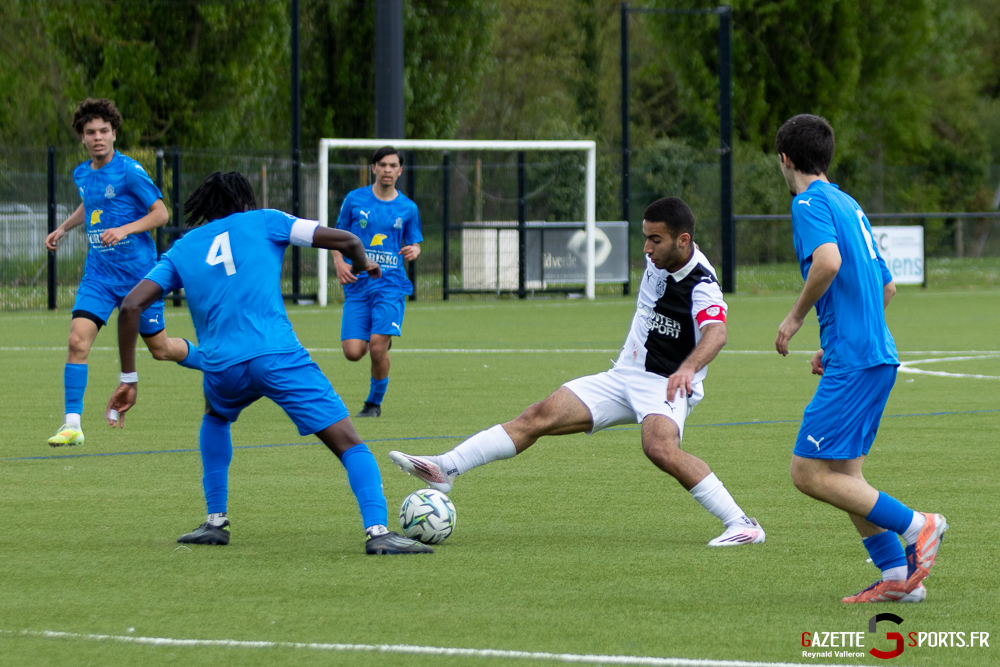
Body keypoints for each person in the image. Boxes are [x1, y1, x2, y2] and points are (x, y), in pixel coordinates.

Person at [390, 197, 765, 547]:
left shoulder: (703, 284)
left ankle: (743, 524)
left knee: (659, 448)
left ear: (684, 240)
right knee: (539, 414)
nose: (647, 249)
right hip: (623, 376)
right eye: (645, 238)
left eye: (656, 240)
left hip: (664, 385)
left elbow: (717, 333)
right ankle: (446, 468)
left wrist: (688, 368)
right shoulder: (659, 260)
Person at [105, 171, 432, 555]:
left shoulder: (183, 248)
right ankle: (378, 532)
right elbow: (347, 240)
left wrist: (129, 378)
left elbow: (130, 306)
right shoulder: (265, 220)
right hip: (278, 356)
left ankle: (216, 521)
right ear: (245, 200)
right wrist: (362, 265)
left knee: (215, 417)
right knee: (350, 444)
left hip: (222, 368)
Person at [774, 114, 947, 602]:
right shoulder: (849, 203)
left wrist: (795, 318)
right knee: (845, 475)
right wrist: (834, 344)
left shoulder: (808, 202)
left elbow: (828, 262)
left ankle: (919, 525)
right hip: (874, 355)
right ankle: (897, 580)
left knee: (807, 472)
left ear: (785, 159)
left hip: (856, 360)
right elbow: (885, 286)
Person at [44, 98, 200, 448]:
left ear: (114, 133)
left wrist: (127, 229)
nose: (97, 137)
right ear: (82, 138)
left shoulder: (130, 171)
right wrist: (65, 227)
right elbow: (92, 203)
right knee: (76, 341)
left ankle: (214, 362)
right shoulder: (82, 173)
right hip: (98, 276)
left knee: (160, 349)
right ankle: (73, 425)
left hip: (139, 278)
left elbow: (161, 213)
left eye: (103, 131)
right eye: (90, 132)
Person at [331, 146, 422, 418]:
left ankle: (373, 404)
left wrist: (414, 250)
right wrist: (339, 263)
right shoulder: (354, 199)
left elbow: (414, 242)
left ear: (400, 170)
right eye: (382, 165)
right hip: (358, 284)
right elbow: (336, 236)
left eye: (393, 165)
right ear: (374, 168)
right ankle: (379, 339)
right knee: (353, 351)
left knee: (377, 346)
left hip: (390, 283)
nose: (387, 170)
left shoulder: (408, 207)